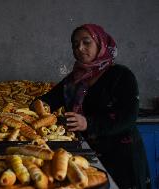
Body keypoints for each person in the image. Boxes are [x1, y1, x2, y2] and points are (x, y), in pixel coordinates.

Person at [33, 24, 150, 189]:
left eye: (86, 42)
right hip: (88, 156)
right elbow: (48, 100)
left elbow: (128, 117)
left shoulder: (121, 75)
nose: (80, 48)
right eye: (75, 44)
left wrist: (88, 123)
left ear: (100, 44)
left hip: (121, 156)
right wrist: (40, 107)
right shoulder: (73, 80)